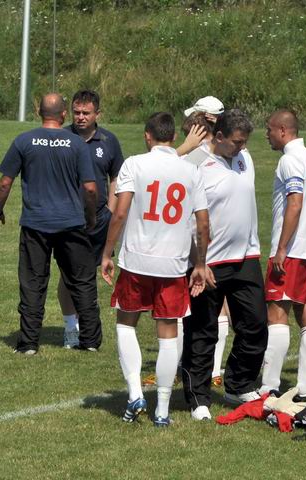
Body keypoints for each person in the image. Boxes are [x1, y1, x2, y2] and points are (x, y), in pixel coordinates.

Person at [100, 112, 209, 427]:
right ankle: (161, 408)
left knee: (126, 325)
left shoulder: (134, 164)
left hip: (136, 260)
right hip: (172, 264)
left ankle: (136, 392)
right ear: (174, 137)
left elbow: (120, 213)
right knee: (168, 334)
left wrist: (107, 252)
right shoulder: (191, 171)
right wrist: (200, 263)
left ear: (147, 135)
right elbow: (203, 224)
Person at [0, 93, 100, 355]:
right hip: (71, 223)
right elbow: (90, 188)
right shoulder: (77, 144)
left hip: (35, 224)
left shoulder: (23, 140)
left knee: (33, 283)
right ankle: (90, 341)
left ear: (39, 112)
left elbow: (5, 182)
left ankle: (29, 343)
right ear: (64, 114)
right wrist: (90, 216)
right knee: (82, 281)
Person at [180, 109, 268, 420]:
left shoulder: (245, 158)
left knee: (255, 324)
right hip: (208, 262)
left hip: (246, 258)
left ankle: (238, 384)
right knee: (202, 332)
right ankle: (198, 398)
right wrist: (197, 261)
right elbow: (185, 216)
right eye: (237, 142)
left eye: (244, 142)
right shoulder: (194, 163)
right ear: (219, 137)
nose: (242, 147)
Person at [260, 109, 306, 399]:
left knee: (277, 313)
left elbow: (295, 203)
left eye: (269, 130)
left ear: (283, 131)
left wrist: (282, 247)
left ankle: (269, 385)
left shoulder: (290, 160)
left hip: (292, 251)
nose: (267, 135)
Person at [56, 89, 124, 348]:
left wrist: (110, 208)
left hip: (99, 218)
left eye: (86, 112)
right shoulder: (62, 137)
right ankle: (70, 328)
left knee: (89, 275)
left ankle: (87, 327)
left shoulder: (109, 141)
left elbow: (116, 176)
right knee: (67, 275)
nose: (81, 117)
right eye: (76, 112)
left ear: (98, 114)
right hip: (68, 219)